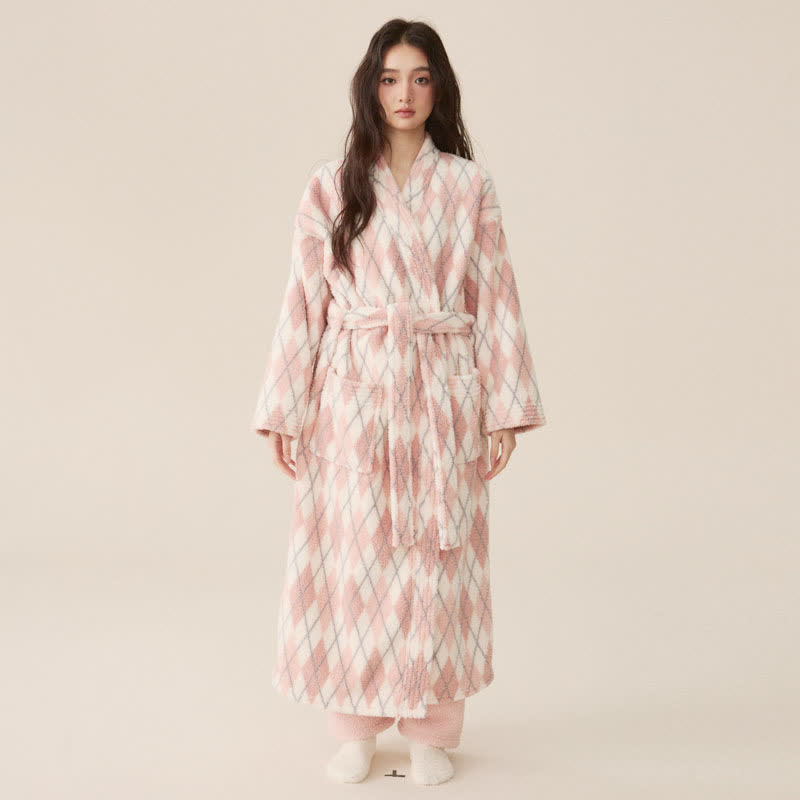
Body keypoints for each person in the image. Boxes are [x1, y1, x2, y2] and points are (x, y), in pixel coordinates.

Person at [251, 18, 547, 785]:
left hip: (441, 394)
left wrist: (501, 408)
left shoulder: (469, 186)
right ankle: (354, 728)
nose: (405, 93)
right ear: (370, 87)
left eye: (420, 77)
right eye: (389, 78)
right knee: (353, 560)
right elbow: (303, 301)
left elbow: (494, 296)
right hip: (354, 397)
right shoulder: (333, 184)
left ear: (439, 86)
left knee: (440, 565)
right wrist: (286, 408)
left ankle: (429, 733)